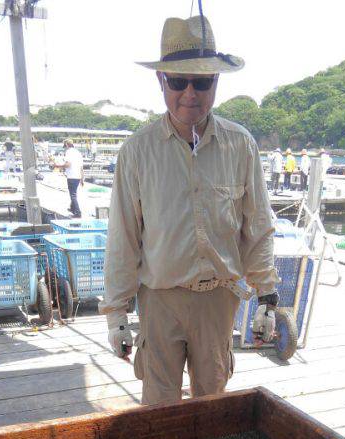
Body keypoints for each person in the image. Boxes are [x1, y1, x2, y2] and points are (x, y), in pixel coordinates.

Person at [100, 14, 278, 405]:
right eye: (178, 81)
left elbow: (258, 227)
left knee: (212, 402)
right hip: (159, 299)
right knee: (159, 408)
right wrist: (116, 314)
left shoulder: (242, 145)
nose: (190, 94)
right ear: (161, 81)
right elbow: (123, 239)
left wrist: (267, 297)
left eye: (203, 81)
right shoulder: (137, 152)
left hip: (219, 299)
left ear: (217, 82)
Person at [62, 138, 84, 217]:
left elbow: (68, 164)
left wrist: (58, 166)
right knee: (74, 193)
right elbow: (81, 167)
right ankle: (72, 208)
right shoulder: (78, 152)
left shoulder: (68, 152)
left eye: (65, 146)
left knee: (73, 195)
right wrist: (82, 179)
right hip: (78, 176)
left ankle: (78, 213)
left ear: (67, 145)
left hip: (71, 176)